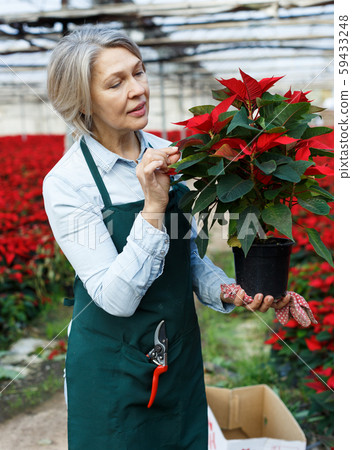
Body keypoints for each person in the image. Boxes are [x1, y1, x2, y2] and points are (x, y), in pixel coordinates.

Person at [43, 24, 291, 449]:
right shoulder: (69, 184)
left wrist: (229, 290)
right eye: (116, 82)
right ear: (83, 101)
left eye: (138, 72)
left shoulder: (167, 152)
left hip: (177, 356)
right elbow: (114, 297)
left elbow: (189, 258)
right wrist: (153, 207)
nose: (138, 89)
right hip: (111, 370)